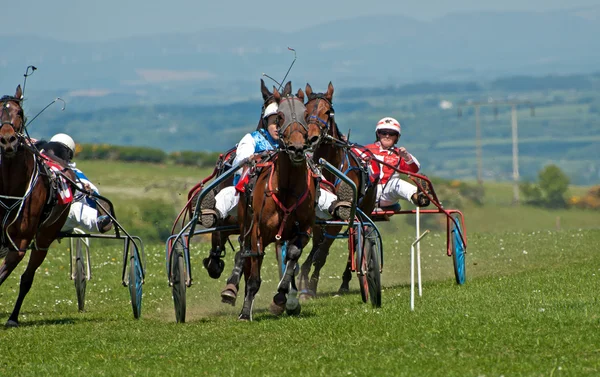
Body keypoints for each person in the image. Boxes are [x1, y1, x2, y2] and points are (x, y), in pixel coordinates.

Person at [198, 102, 352, 227]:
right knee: (228, 195)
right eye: (274, 123)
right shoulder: (252, 138)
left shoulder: (294, 141)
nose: (278, 128)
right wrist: (252, 158)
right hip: (252, 191)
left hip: (292, 194)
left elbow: (309, 159)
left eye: (281, 124)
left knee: (317, 193)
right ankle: (210, 212)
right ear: (266, 123)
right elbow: (240, 161)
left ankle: (338, 207)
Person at [40, 133, 113, 234]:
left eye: (59, 150)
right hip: (43, 215)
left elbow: (96, 196)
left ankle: (100, 223)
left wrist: (89, 192)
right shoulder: (40, 166)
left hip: (61, 217)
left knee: (76, 208)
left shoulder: (74, 172)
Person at [363, 117, 430, 208]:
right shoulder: (364, 150)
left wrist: (406, 157)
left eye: (392, 133)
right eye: (383, 132)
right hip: (367, 191)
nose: (387, 136)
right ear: (378, 134)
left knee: (396, 183)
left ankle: (419, 197)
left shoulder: (400, 154)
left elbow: (415, 169)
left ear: (397, 137)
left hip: (388, 194)